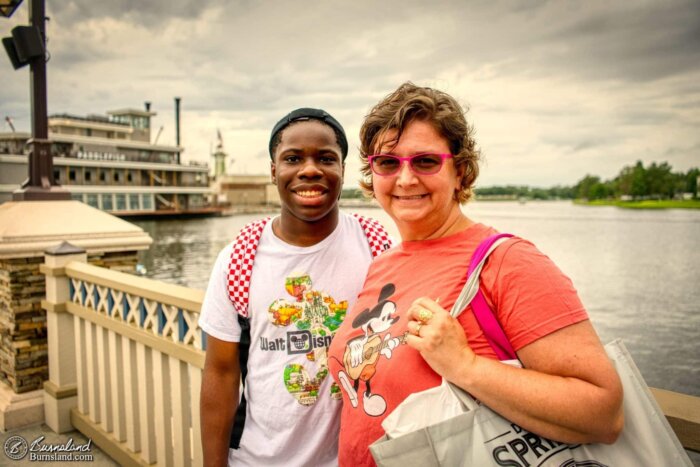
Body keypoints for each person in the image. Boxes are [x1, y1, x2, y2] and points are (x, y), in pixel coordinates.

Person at [327, 83, 624, 466]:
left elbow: (604, 414)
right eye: (388, 162)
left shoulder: (507, 262)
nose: (405, 179)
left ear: (461, 172)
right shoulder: (383, 264)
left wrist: (465, 366)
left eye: (425, 161)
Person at [199, 108, 391, 466]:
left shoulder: (375, 245)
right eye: (292, 158)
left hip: (357, 459)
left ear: (342, 170)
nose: (309, 169)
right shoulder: (239, 259)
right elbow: (221, 373)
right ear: (274, 171)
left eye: (325, 158)